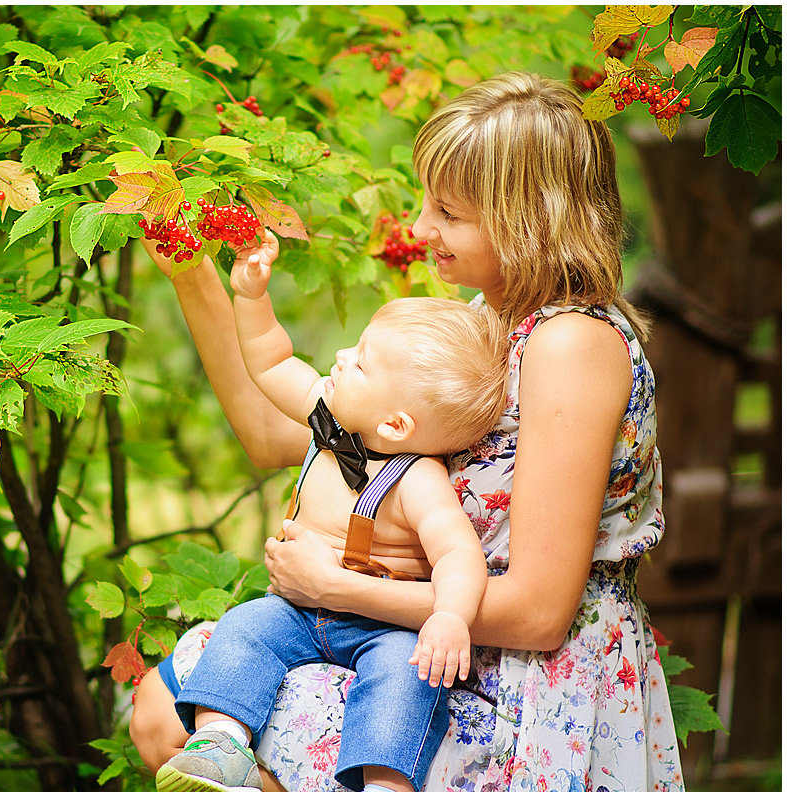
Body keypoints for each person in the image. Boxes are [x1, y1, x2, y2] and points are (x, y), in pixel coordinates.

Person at [131, 71, 683, 791]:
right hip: (425, 644)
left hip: (528, 686)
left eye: (448, 212)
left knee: (177, 703)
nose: (420, 230)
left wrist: (336, 586)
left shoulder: (570, 345)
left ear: (530, 219)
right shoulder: (485, 331)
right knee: (170, 706)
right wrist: (196, 277)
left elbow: (543, 612)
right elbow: (279, 436)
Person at [156, 237, 507, 792]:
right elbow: (272, 362)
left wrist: (448, 617)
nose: (341, 358)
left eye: (360, 363)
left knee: (404, 678)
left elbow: (459, 554)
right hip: (296, 609)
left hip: (383, 623)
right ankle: (220, 745)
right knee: (244, 629)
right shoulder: (330, 418)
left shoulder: (419, 480)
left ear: (395, 425)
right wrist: (251, 297)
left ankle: (386, 781)